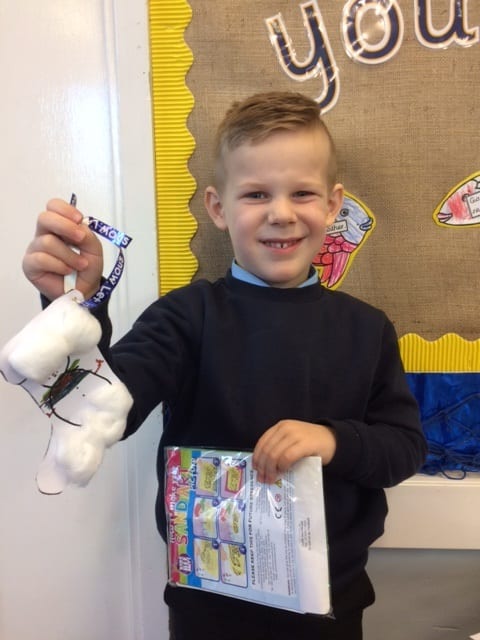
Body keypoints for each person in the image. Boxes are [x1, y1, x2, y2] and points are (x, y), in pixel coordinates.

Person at [23, 91, 426, 640]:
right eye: (256, 193)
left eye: (302, 193)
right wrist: (73, 306)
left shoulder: (367, 328)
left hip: (331, 609)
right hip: (207, 612)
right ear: (218, 207)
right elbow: (103, 408)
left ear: (334, 205)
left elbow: (403, 448)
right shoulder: (186, 317)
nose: (281, 213)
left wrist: (332, 440)